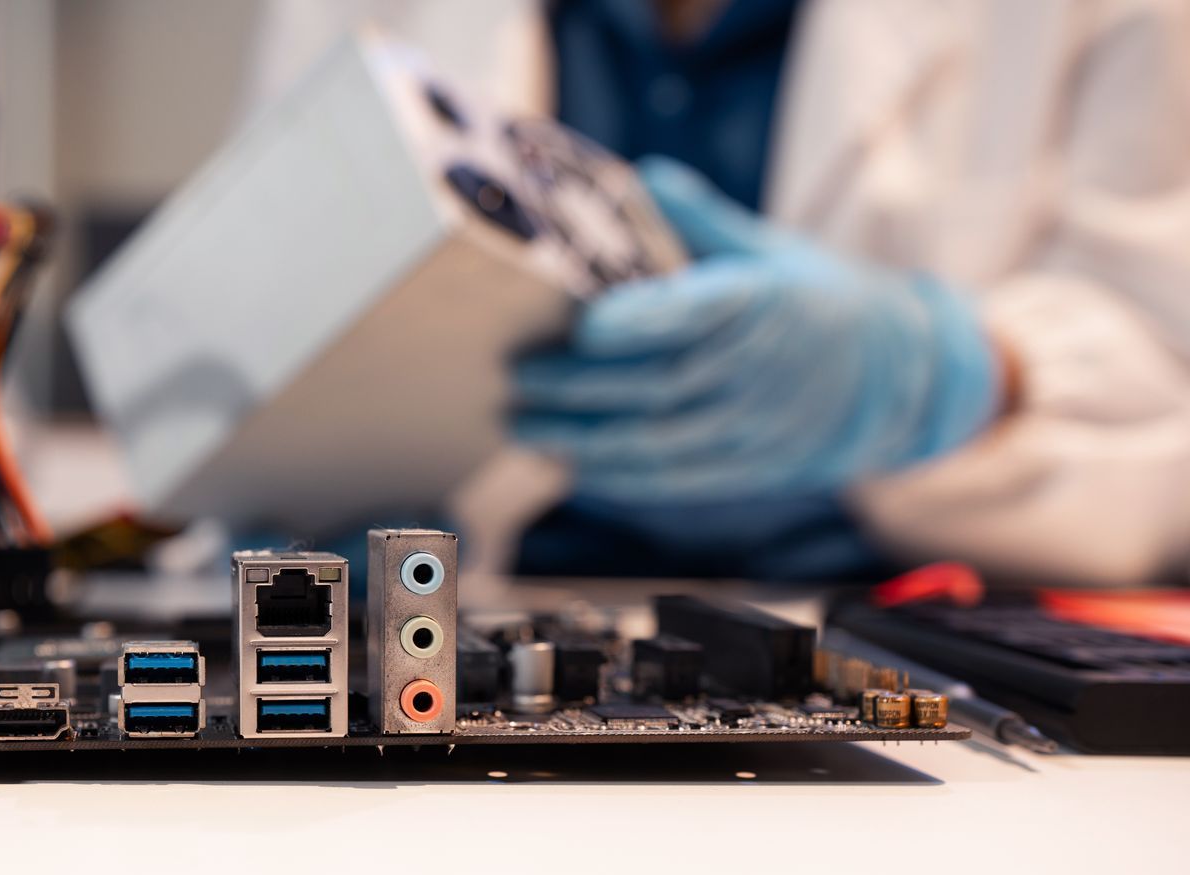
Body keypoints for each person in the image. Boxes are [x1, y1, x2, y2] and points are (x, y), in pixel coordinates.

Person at [246, 0, 1190, 584]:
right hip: (498, 600)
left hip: (921, 620)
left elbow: (1165, 355)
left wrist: (946, 379)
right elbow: (250, 310)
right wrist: (287, 477)